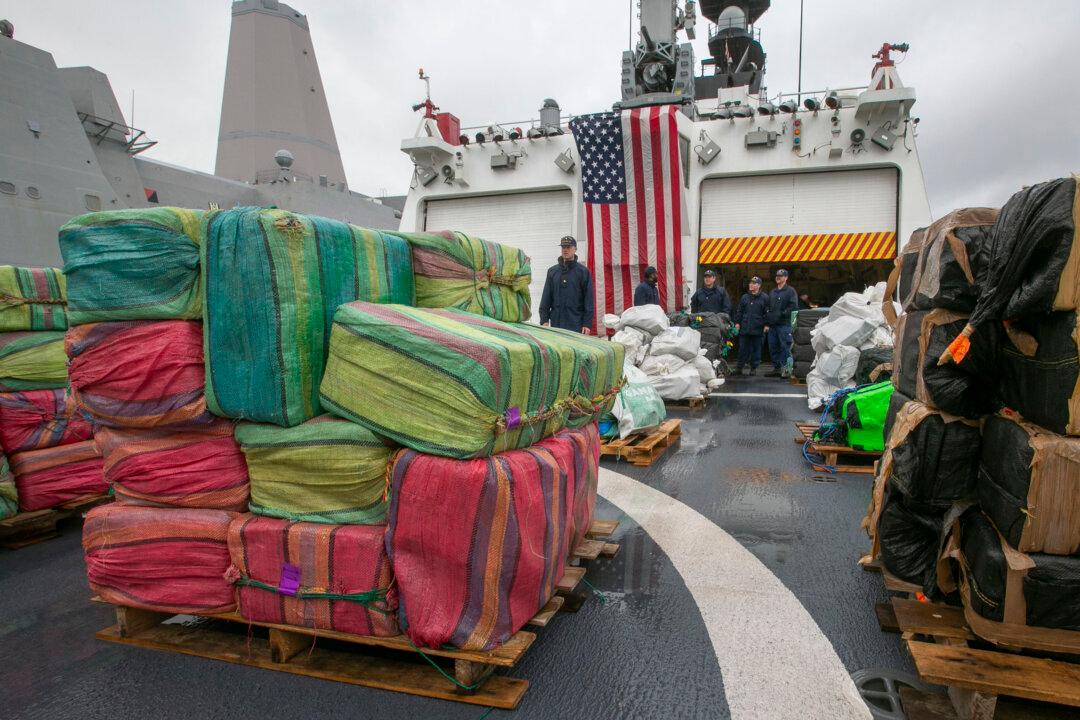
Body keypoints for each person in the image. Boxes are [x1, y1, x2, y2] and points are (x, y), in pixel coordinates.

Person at [539, 236, 594, 334]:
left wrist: (587, 323)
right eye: (563, 247)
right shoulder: (552, 272)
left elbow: (588, 300)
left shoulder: (583, 272)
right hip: (557, 323)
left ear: (575, 249)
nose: (565, 250)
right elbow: (546, 298)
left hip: (576, 323)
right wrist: (544, 320)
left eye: (568, 247)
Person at [764, 268, 798, 378]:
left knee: (785, 347)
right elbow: (768, 306)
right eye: (777, 275)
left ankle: (787, 369)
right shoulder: (773, 292)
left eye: (781, 275)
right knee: (773, 347)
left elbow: (793, 306)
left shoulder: (790, 291)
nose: (778, 277)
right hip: (773, 325)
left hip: (784, 324)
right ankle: (777, 368)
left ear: (786, 278)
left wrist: (783, 314)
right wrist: (768, 318)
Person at [734, 276, 769, 376]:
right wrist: (737, 323)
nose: (751, 285)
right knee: (742, 349)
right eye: (750, 283)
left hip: (758, 329)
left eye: (754, 283)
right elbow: (739, 311)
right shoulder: (745, 297)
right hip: (745, 328)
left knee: (756, 350)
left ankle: (753, 368)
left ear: (759, 285)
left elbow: (767, 313)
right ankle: (739, 368)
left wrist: (766, 324)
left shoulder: (765, 298)